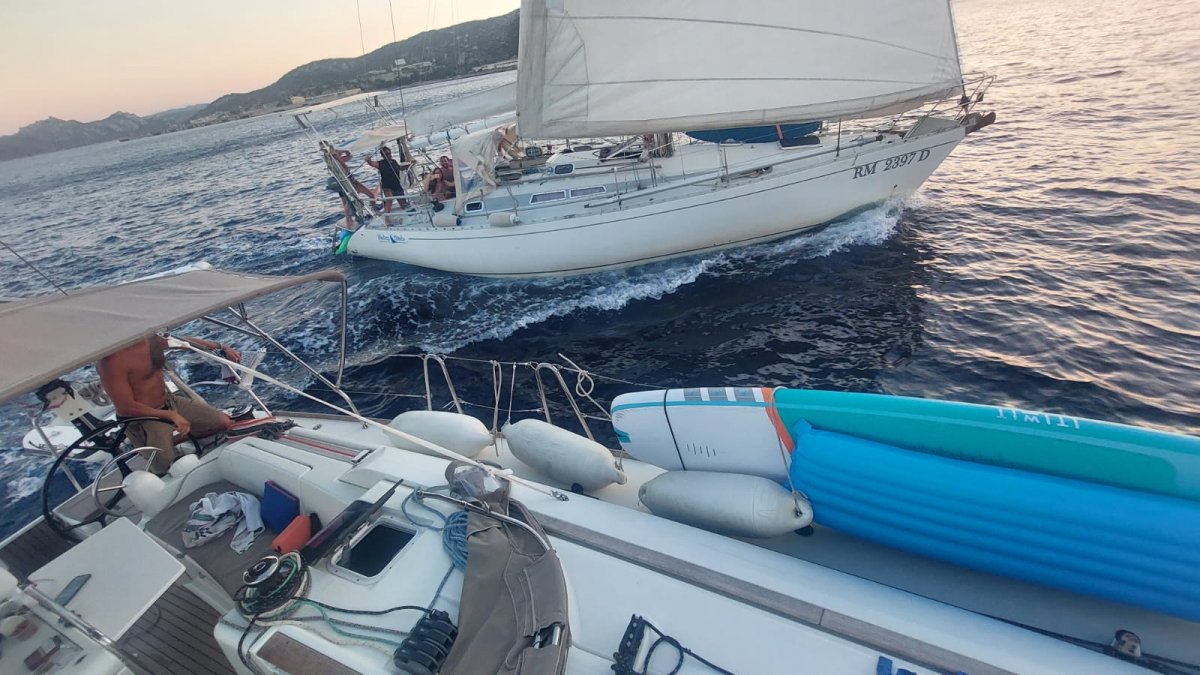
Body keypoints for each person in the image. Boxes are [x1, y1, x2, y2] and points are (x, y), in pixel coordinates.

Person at [97, 335, 241, 475]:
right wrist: (170, 415)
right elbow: (125, 406)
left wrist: (221, 347)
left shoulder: (149, 339)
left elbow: (182, 342)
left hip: (170, 402)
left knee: (225, 423)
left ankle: (170, 440)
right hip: (142, 418)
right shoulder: (111, 361)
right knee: (166, 468)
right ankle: (149, 446)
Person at [367, 146, 410, 217]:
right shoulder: (381, 163)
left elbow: (399, 168)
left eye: (389, 153)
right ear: (383, 156)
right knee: (389, 199)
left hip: (397, 186)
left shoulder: (394, 161)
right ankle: (387, 219)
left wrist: (408, 166)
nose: (389, 155)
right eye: (387, 154)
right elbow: (371, 163)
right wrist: (368, 159)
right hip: (388, 187)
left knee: (404, 205)